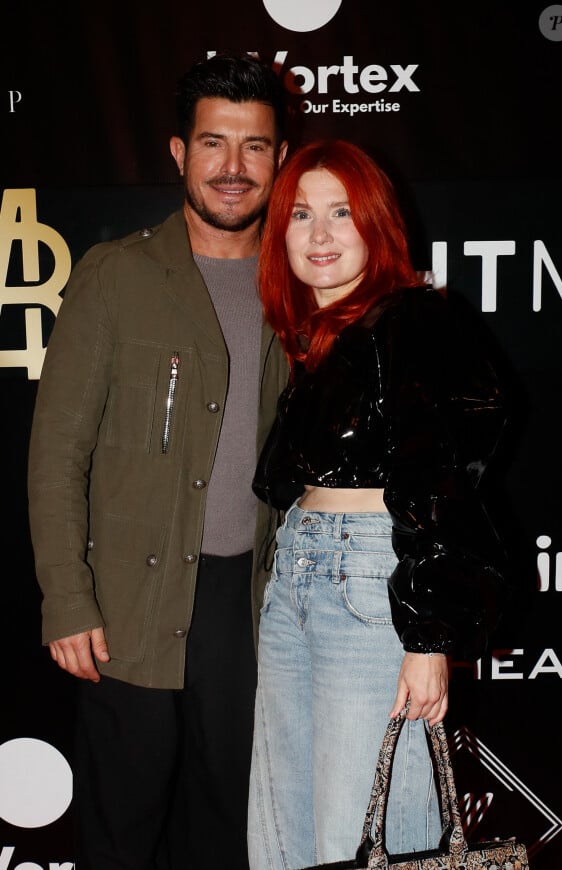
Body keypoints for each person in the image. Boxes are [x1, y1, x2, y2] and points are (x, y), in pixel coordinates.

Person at [27, 54, 289, 870]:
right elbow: (56, 452)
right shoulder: (115, 277)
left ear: (279, 158)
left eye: (254, 147)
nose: (233, 168)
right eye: (214, 143)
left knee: (229, 827)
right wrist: (67, 598)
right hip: (129, 603)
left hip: (248, 605)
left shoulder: (300, 284)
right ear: (179, 153)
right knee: (121, 830)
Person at [247, 140, 508, 870]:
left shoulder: (414, 319)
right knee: (280, 838)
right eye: (301, 214)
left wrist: (427, 637)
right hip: (298, 566)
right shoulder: (321, 338)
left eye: (341, 213)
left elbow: (443, 472)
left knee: (364, 837)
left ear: (376, 225)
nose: (321, 234)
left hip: (370, 576)